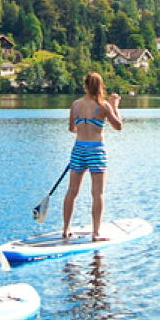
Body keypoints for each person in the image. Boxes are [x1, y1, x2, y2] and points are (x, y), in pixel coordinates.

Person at [61, 72, 124, 241]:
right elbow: (118, 126)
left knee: (72, 191)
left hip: (79, 148)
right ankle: (96, 234)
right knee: (98, 194)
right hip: (96, 150)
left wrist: (84, 126)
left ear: (85, 86)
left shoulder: (75, 105)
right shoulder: (104, 106)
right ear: (100, 87)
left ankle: (66, 229)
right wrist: (115, 106)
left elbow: (72, 129)